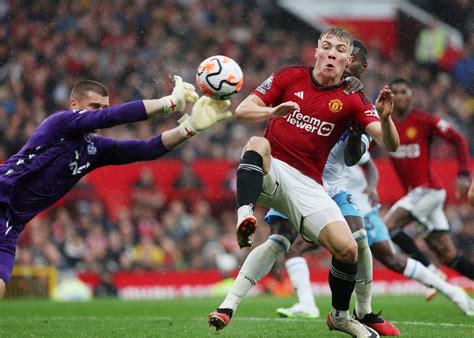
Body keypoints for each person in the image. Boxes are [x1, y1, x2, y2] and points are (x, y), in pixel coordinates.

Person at [208, 27, 400, 337]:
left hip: (313, 185)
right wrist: (273, 110)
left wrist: (387, 117)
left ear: (347, 60)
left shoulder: (352, 98)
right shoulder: (289, 76)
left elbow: (390, 144)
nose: (332, 53)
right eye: (327, 46)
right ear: (316, 51)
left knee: (349, 248)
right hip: (274, 171)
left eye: (340, 50)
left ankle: (342, 317)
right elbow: (242, 110)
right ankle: (245, 216)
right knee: (256, 143)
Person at [0, 76, 232, 298]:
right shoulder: (59, 123)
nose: (101, 112)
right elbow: (110, 117)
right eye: (94, 106)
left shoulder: (94, 149)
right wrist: (168, 103)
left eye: (104, 107)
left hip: (12, 225)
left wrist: (189, 127)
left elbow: (147, 149)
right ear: (74, 105)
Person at [269, 40, 398, 337]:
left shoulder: (362, 107)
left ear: (359, 66)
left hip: (331, 188)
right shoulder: (312, 84)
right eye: (334, 52)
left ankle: (360, 312)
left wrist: (356, 132)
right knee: (281, 241)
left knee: (358, 240)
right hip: (297, 178)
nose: (338, 61)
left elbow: (356, 158)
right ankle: (300, 303)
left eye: (348, 58)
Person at [346, 153, 474, 316]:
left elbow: (368, 161)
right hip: (333, 203)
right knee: (449, 256)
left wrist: (463, 172)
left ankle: (438, 277)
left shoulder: (351, 137)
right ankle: (450, 289)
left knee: (389, 251)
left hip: (363, 207)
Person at [384, 78, 474, 281]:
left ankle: (430, 272)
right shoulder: (384, 124)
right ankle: (440, 274)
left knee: (387, 226)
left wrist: (463, 173)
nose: (399, 96)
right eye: (395, 92)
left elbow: (458, 139)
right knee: (448, 256)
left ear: (411, 95)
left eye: (403, 92)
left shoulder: (424, 120)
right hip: (418, 195)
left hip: (429, 190)